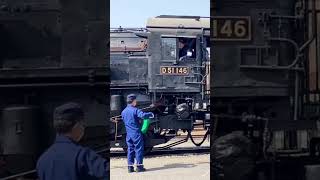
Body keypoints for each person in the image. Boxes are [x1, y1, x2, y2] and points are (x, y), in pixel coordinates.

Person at [36, 102, 108, 180]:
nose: (84, 128)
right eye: (83, 125)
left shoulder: (43, 160)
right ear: (76, 125)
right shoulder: (83, 156)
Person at [121, 94, 153, 173]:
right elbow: (143, 115)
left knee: (130, 150)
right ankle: (139, 167)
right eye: (135, 101)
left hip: (128, 134)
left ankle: (130, 167)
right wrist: (150, 114)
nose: (136, 102)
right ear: (133, 101)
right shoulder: (135, 110)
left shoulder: (123, 112)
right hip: (136, 133)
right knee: (138, 149)